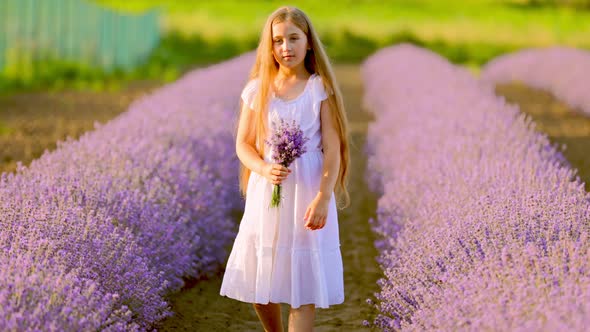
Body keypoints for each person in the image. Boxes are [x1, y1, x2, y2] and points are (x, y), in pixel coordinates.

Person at [219, 5, 351, 332]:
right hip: (268, 190)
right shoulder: (258, 89)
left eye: (294, 39)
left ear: (308, 43)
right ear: (270, 46)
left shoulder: (319, 89)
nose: (286, 48)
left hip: (307, 188)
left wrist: (322, 197)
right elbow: (244, 145)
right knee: (261, 274)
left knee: (302, 282)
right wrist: (263, 169)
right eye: (278, 41)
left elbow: (333, 148)